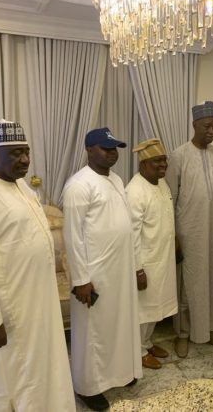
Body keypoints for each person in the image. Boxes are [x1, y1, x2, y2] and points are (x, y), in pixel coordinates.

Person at [0, 121, 75, 412]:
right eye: (16, 153)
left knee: (41, 371)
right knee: (14, 380)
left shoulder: (21, 186)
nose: (25, 160)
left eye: (26, 152)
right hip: (8, 312)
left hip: (37, 303)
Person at [63, 127, 142, 410]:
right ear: (89, 149)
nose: (112, 153)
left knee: (119, 324)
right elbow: (72, 237)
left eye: (114, 148)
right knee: (92, 332)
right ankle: (88, 387)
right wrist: (81, 280)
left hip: (119, 270)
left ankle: (119, 372)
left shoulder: (117, 179)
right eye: (105, 148)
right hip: (94, 274)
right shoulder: (78, 185)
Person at [165, 101, 213, 358]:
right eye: (207, 126)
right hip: (188, 232)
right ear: (194, 126)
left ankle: (210, 328)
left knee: (212, 280)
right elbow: (170, 198)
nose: (211, 131)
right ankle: (183, 334)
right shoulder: (179, 155)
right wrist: (174, 236)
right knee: (188, 283)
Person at [126, 139, 178, 370]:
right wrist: (137, 269)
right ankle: (137, 352)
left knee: (157, 307)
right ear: (143, 164)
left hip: (163, 258)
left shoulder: (162, 183)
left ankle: (146, 343)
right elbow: (131, 235)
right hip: (146, 263)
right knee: (143, 311)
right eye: (157, 161)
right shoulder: (134, 191)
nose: (163, 165)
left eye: (164, 160)